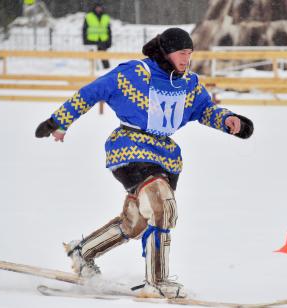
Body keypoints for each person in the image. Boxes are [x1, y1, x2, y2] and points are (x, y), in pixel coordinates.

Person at [35, 27, 254, 298]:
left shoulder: (189, 83)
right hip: (129, 147)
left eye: (189, 53)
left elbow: (204, 109)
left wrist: (229, 120)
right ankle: (158, 280)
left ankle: (83, 252)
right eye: (181, 53)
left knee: (136, 221)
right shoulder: (135, 73)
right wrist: (59, 122)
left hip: (164, 155)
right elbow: (92, 91)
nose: (186, 59)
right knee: (162, 205)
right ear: (166, 52)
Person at [83, 2, 112, 69]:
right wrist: (85, 41)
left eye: (100, 7)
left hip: (102, 40)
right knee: (92, 59)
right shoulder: (89, 16)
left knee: (104, 58)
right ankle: (93, 71)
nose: (98, 9)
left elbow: (109, 31)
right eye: (97, 7)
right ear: (94, 8)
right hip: (91, 40)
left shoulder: (105, 17)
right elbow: (84, 30)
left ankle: (106, 70)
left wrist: (109, 41)